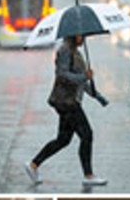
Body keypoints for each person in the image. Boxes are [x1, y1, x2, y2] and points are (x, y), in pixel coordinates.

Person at [25, 35, 108, 188]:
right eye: (80, 35)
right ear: (73, 36)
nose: (83, 38)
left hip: (69, 101)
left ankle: (33, 165)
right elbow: (62, 74)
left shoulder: (76, 52)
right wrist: (84, 76)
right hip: (66, 102)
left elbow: (81, 82)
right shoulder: (65, 51)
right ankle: (88, 175)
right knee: (87, 135)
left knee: (63, 140)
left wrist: (98, 96)